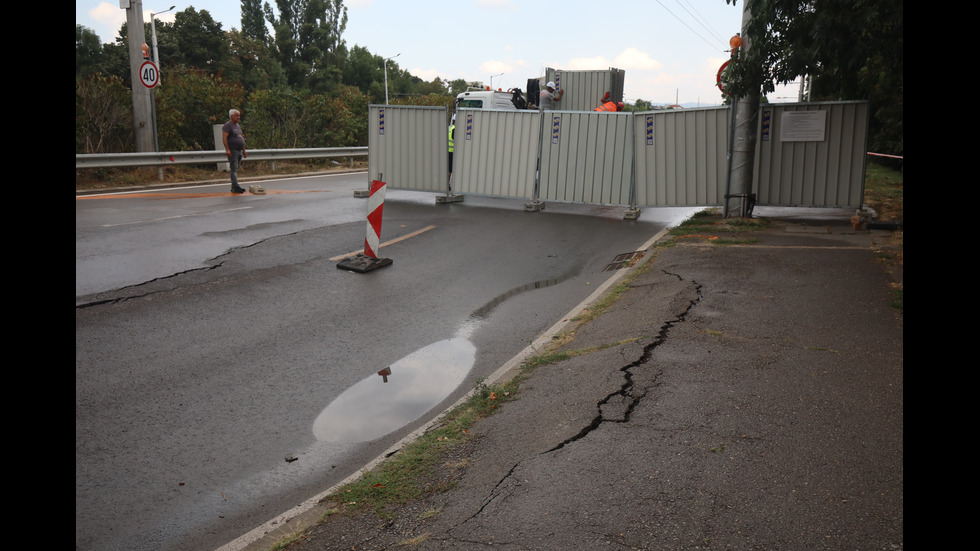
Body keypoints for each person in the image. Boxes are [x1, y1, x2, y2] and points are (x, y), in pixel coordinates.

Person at [222, 109, 248, 194]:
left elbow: (241, 138)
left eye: (239, 115)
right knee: (233, 169)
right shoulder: (228, 125)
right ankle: (236, 187)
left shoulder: (237, 125)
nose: (238, 117)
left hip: (239, 150)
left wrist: (244, 150)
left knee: (236, 168)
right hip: (233, 150)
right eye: (237, 115)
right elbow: (224, 137)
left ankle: (234, 187)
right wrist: (227, 149)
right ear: (231, 116)